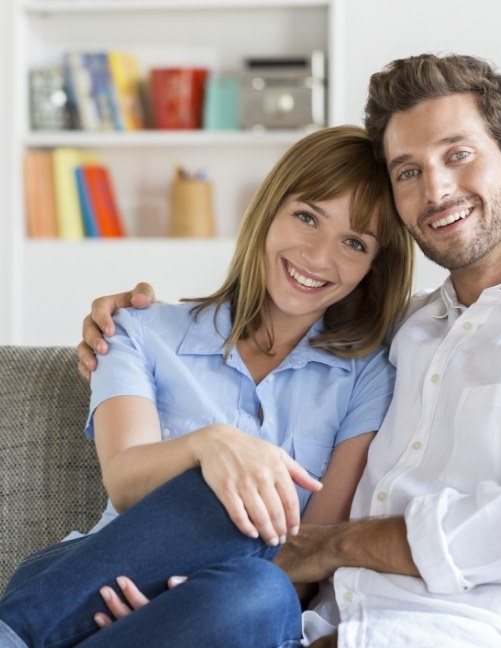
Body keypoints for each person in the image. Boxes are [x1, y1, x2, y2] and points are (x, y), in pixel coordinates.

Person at [6, 52, 501, 648]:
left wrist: (327, 546)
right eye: (408, 171)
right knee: (246, 568)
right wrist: (125, 319)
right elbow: (276, 308)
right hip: (299, 629)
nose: (436, 190)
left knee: (253, 572)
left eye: (458, 154)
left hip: (450, 635)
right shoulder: (409, 333)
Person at [0, 125, 414, 648]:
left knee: (261, 591)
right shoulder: (137, 329)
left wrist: (180, 603)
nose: (317, 256)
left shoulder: (369, 375)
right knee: (225, 482)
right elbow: (126, 481)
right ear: (270, 211)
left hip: (227, 613)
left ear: (374, 267)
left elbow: (309, 554)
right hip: (83, 584)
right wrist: (210, 445)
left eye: (354, 243)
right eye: (307, 217)